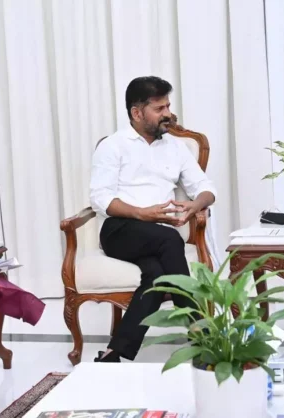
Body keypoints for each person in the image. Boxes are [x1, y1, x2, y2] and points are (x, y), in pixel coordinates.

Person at [90, 76, 216, 362]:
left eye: (168, 106)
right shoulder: (113, 146)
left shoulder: (175, 147)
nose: (168, 114)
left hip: (157, 236)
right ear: (137, 113)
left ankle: (114, 351)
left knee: (157, 276)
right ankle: (204, 337)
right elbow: (100, 198)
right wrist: (142, 213)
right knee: (170, 239)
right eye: (159, 108)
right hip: (120, 230)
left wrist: (193, 206)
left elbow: (207, 188)